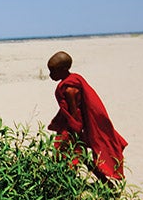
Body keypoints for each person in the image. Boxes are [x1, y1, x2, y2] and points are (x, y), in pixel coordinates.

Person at [46, 51, 128, 181]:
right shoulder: (73, 79)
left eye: (53, 71)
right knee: (79, 156)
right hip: (71, 126)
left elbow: (74, 113)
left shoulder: (69, 89)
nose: (50, 75)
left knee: (69, 155)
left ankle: (100, 183)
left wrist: (75, 132)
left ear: (63, 70)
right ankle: (104, 183)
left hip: (72, 128)